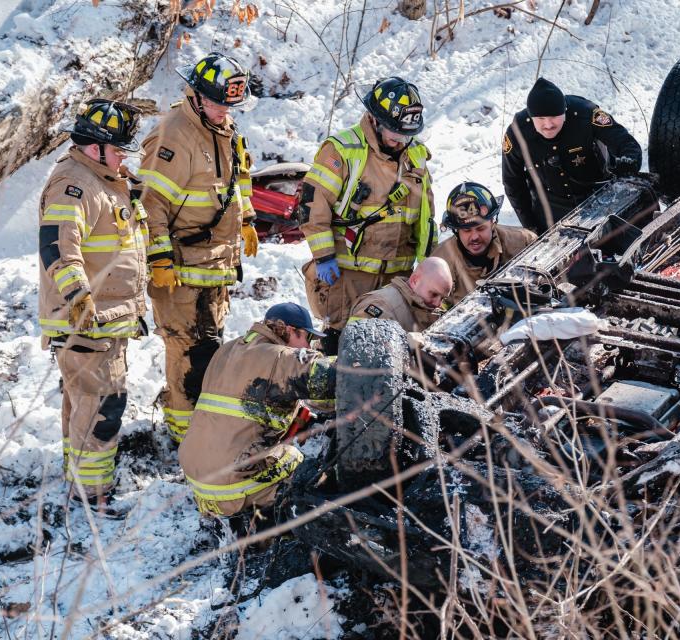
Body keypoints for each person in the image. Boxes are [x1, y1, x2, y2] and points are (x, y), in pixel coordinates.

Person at [138, 52, 260, 444]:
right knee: (186, 352)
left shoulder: (224, 128)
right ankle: (183, 437)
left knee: (208, 349)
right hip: (181, 269)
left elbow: (238, 181)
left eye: (230, 105)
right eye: (218, 102)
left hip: (217, 264)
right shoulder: (173, 134)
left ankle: (197, 429)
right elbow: (149, 203)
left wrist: (247, 220)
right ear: (196, 95)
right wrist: (158, 257)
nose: (225, 110)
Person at [38, 98, 147, 515]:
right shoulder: (75, 183)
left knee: (83, 404)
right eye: (118, 149)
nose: (123, 157)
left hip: (108, 318)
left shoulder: (107, 179)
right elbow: (58, 249)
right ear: (94, 146)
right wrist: (79, 300)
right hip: (88, 320)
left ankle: (81, 484)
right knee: (102, 406)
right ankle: (94, 496)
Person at [300, 76, 437, 354]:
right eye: (394, 133)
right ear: (374, 120)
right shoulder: (342, 151)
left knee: (390, 354)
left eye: (406, 135)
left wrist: (428, 262)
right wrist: (324, 256)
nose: (400, 141)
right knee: (341, 351)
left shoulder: (416, 156)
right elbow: (313, 206)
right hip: (349, 277)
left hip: (397, 278)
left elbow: (426, 217)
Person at [178, 303, 336, 518]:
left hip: (197, 477)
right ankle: (274, 524)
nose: (309, 347)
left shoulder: (228, 349)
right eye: (307, 338)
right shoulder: (280, 357)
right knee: (311, 473)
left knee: (283, 452)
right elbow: (335, 376)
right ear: (290, 330)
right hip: (229, 487)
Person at [501, 77, 642, 234]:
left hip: (599, 195)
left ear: (564, 111)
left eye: (554, 117)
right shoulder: (517, 133)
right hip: (551, 210)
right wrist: (530, 225)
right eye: (540, 119)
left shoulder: (585, 113)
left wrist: (629, 164)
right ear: (531, 117)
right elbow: (513, 182)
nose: (548, 125)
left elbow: (624, 142)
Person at [430, 182, 537, 306]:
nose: (475, 237)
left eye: (481, 228)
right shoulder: (439, 264)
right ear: (456, 231)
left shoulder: (524, 242)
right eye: (466, 230)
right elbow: (428, 316)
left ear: (492, 222)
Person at [347, 256, 452, 332]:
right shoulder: (380, 306)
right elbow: (355, 352)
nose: (438, 304)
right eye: (433, 294)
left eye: (443, 298)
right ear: (415, 280)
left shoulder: (426, 308)